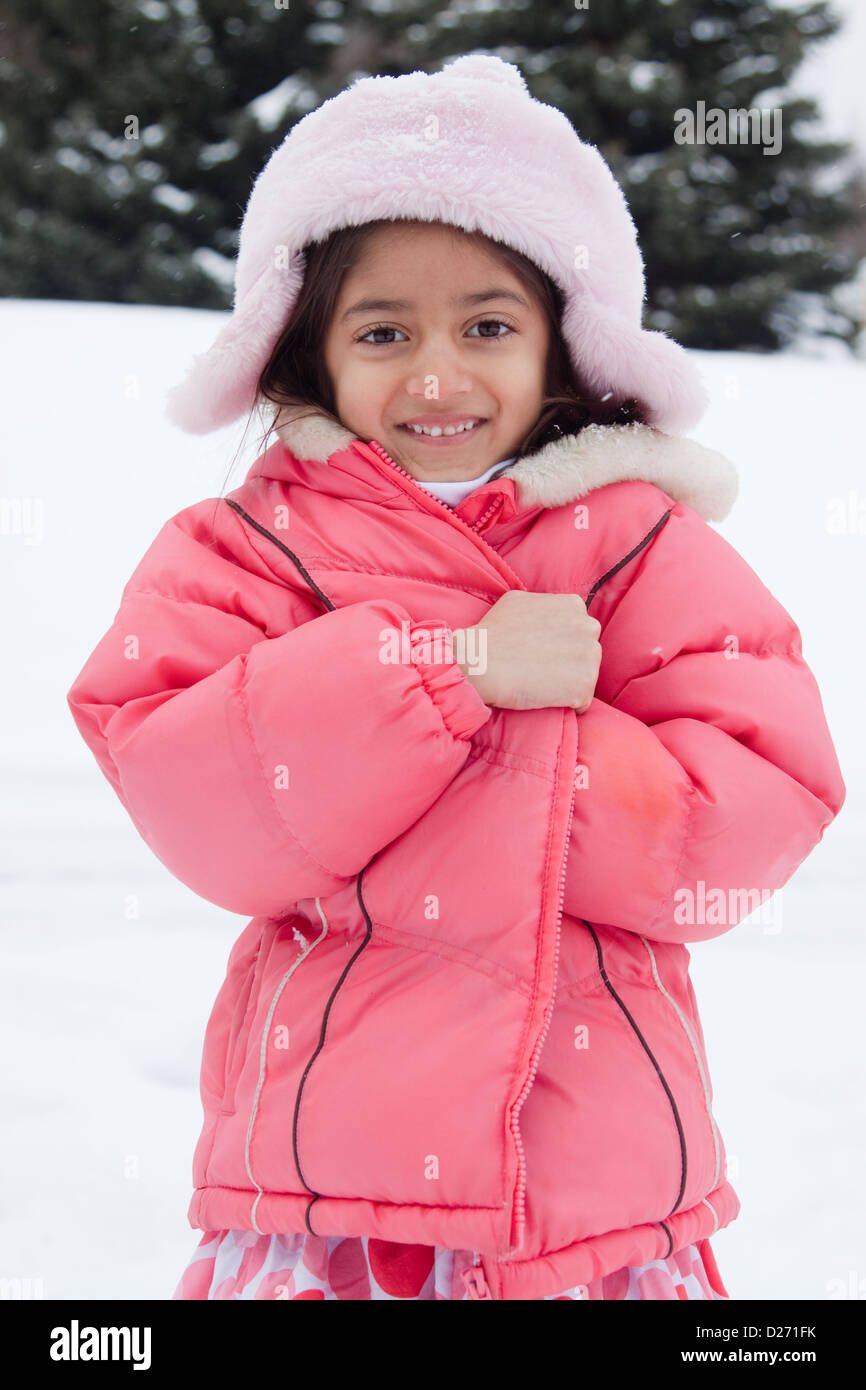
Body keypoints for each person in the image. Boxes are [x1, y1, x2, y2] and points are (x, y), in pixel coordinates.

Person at [66, 55, 845, 1301]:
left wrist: (542, 752)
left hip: (589, 1187)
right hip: (326, 1188)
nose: (436, 376)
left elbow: (750, 813)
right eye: (384, 332)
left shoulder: (637, 538)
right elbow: (201, 800)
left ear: (561, 344)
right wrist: (447, 677)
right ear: (309, 352)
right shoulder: (246, 548)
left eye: (487, 325)